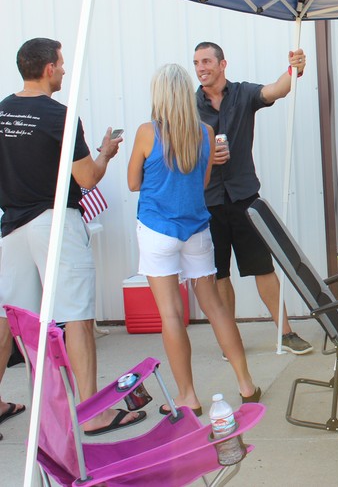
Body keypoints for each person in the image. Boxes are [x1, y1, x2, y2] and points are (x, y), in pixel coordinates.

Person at [0, 37, 144, 436]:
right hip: (55, 223)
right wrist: (105, 153)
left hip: (11, 227)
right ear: (49, 68)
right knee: (77, 316)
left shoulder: (1, 112)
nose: (63, 70)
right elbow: (87, 178)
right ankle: (91, 412)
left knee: (7, 319)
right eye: (61, 64)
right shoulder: (58, 116)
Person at [127, 64, 261, 415]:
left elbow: (133, 182)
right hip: (197, 230)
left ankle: (188, 396)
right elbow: (201, 184)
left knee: (171, 314)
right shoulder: (205, 132)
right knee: (215, 308)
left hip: (158, 231)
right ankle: (246, 384)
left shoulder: (147, 132)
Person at [193, 42, 313, 355]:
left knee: (262, 267)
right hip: (207, 202)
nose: (201, 68)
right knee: (219, 274)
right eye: (196, 63)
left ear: (222, 64)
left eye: (206, 61)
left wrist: (295, 69)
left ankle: (286, 334)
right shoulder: (188, 105)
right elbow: (177, 152)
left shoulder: (243, 93)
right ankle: (229, 339)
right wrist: (206, 159)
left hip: (244, 197)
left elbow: (277, 90)